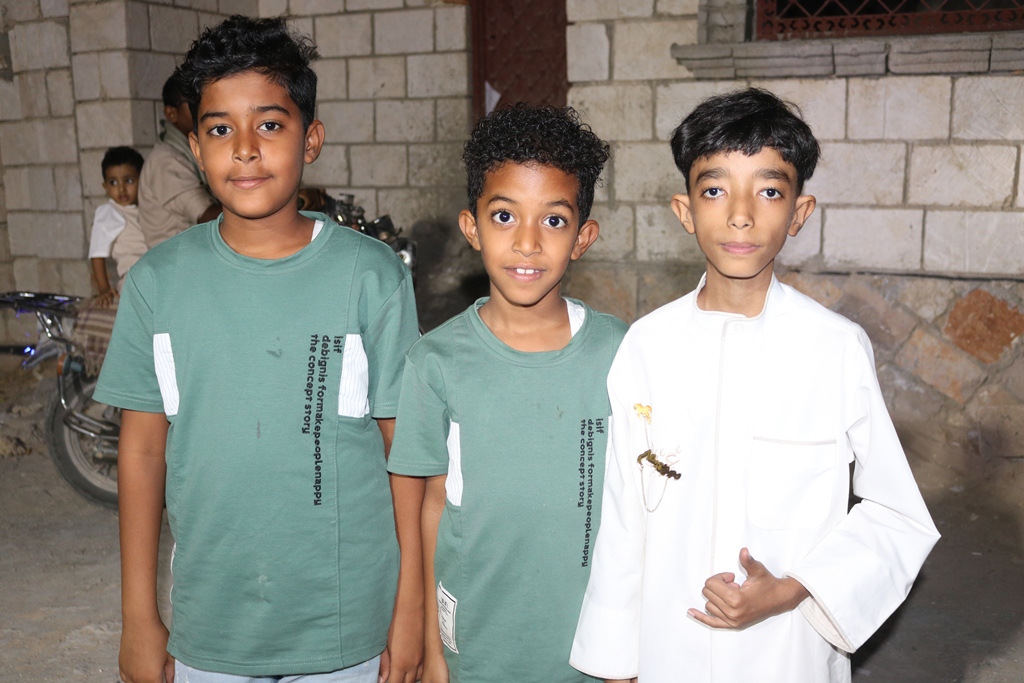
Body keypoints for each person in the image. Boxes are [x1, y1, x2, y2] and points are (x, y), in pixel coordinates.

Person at [570, 88, 940, 683]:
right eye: (715, 190)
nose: (740, 214)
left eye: (769, 191)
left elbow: (897, 514)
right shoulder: (648, 346)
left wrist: (793, 589)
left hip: (787, 651)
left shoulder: (834, 349)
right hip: (671, 645)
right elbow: (623, 511)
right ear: (685, 210)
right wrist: (616, 661)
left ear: (799, 212)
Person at [94, 15, 419, 683]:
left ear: (311, 139)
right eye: (220, 130)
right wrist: (137, 615)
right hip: (211, 630)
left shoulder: (370, 276)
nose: (244, 149)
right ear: (195, 146)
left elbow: (408, 454)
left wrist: (411, 607)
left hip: (348, 628)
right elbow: (143, 450)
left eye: (269, 124)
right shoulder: (157, 283)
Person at [386, 103, 628, 683]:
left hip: (592, 648)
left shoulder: (621, 352)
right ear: (472, 227)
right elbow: (433, 505)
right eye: (503, 216)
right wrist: (433, 648)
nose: (527, 243)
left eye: (553, 221)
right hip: (477, 648)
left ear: (583, 237)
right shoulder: (435, 362)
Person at [137, 73, 220, 249]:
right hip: (178, 262)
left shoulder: (194, 150)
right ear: (171, 113)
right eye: (193, 103)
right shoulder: (165, 160)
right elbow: (207, 217)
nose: (204, 108)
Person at [87, 146, 148, 308]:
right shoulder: (109, 212)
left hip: (156, 270)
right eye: (113, 182)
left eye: (129, 181)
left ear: (142, 180)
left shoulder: (147, 208)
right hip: (133, 277)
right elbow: (97, 255)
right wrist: (104, 289)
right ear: (105, 187)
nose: (121, 189)